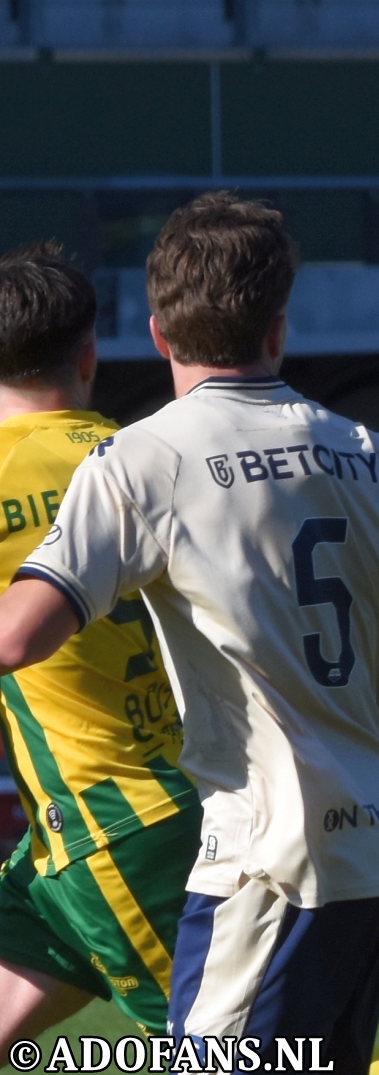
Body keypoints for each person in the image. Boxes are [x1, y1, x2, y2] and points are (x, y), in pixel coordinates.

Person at [0, 194, 379, 1072]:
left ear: (158, 335)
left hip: (264, 854)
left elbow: (20, 637)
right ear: (279, 330)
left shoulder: (138, 461)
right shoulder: (367, 453)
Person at [0, 243, 195, 1043]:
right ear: (89, 355)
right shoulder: (153, 459)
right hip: (143, 803)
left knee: (249, 1059)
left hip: (113, 821)